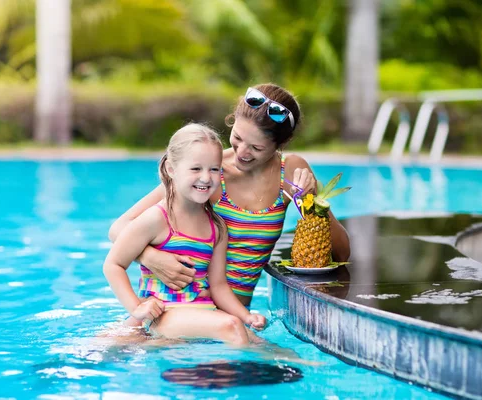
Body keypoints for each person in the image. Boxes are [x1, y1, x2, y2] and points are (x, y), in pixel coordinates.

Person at [109, 83, 351, 307]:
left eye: (256, 148)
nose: (242, 153)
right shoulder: (209, 172)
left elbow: (342, 253)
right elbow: (119, 227)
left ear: (281, 143)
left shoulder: (290, 171)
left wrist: (312, 205)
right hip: (184, 308)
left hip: (236, 314)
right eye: (237, 138)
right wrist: (151, 258)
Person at [103, 123, 266, 346]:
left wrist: (246, 316)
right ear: (171, 169)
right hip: (165, 313)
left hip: (202, 311)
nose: (206, 178)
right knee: (232, 328)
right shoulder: (157, 219)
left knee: (260, 343)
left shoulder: (216, 227)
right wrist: (137, 308)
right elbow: (113, 264)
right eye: (196, 169)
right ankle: (238, 379)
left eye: (214, 169)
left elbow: (218, 286)